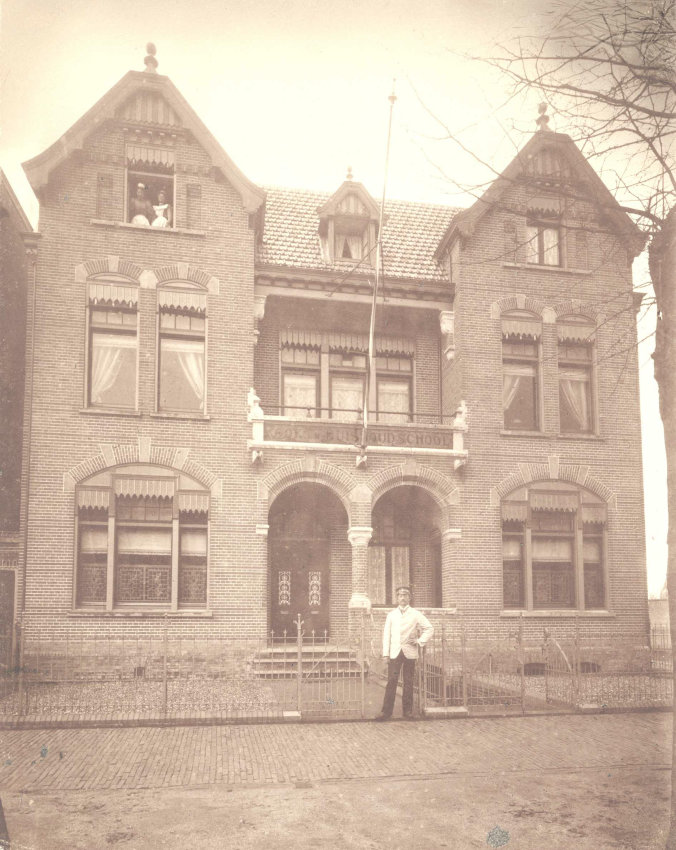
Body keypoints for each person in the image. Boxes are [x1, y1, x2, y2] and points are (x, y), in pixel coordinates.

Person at [374, 586, 433, 721]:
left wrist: (419, 641)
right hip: (395, 652)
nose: (402, 598)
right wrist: (385, 654)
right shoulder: (391, 615)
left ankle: (407, 712)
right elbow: (386, 635)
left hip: (409, 652)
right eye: (400, 595)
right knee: (392, 681)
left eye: (405, 595)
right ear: (397, 598)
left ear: (409, 598)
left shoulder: (415, 614)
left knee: (408, 682)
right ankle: (386, 712)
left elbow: (429, 628)